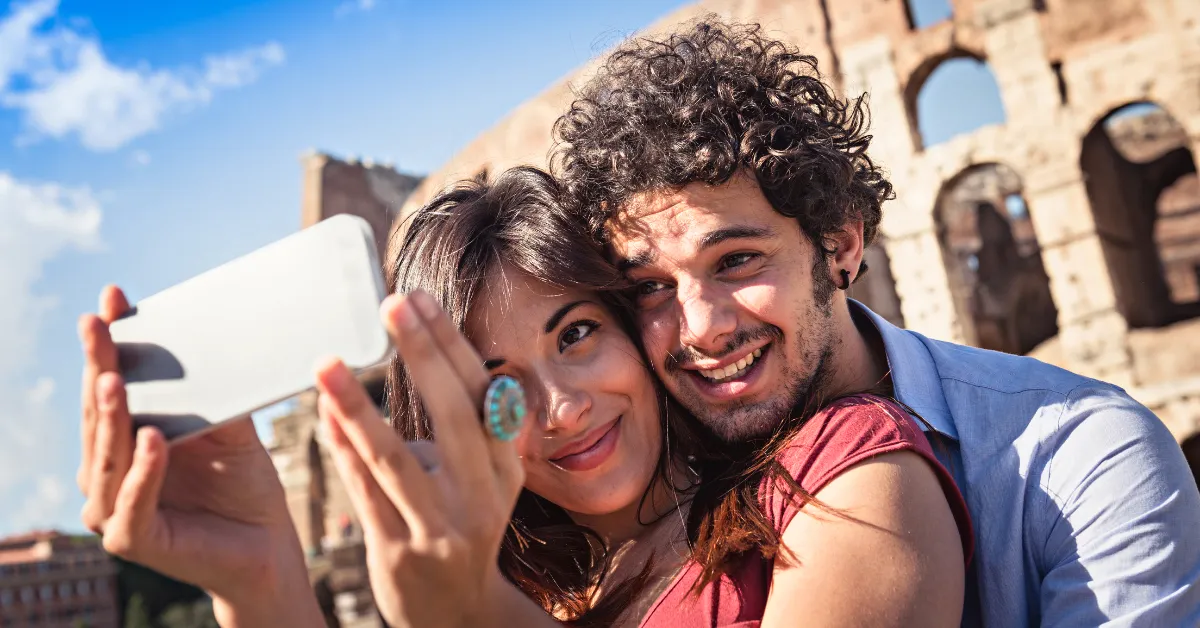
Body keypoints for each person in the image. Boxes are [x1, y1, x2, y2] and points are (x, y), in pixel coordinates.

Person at [75, 167, 970, 627]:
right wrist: (258, 577)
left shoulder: (843, 477)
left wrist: (470, 615)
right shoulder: (537, 590)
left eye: (575, 335)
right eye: (495, 381)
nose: (560, 409)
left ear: (632, 320)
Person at [549, 17, 1200, 626]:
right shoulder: (624, 487)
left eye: (737, 260)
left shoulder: (1085, 455)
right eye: (651, 288)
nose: (701, 328)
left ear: (841, 244)